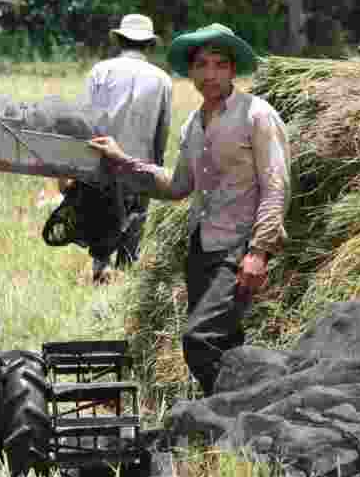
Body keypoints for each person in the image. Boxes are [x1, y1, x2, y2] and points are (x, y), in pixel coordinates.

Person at [88, 24, 290, 397]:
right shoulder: (193, 125)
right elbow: (178, 186)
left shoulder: (256, 116)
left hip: (239, 248)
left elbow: (275, 185)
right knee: (225, 344)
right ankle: (233, 417)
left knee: (199, 338)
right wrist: (123, 162)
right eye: (202, 65)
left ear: (232, 70)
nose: (210, 74)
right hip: (201, 249)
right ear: (191, 71)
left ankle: (240, 409)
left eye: (220, 64)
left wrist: (259, 252)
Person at [83, 13, 172, 283]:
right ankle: (126, 275)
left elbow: (85, 118)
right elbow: (162, 128)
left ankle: (101, 270)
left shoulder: (100, 70)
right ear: (149, 45)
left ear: (120, 40)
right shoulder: (162, 79)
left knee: (101, 215)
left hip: (101, 160)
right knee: (134, 220)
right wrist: (154, 165)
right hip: (139, 162)